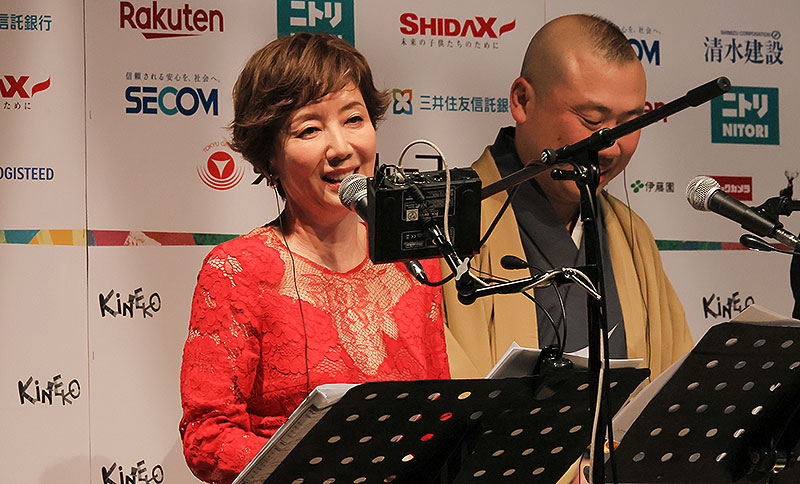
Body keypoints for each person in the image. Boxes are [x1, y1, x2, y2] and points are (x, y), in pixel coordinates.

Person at [179, 33, 450, 484]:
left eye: (354, 119)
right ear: (269, 157)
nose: (341, 148)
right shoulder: (238, 269)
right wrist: (328, 468)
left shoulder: (415, 259)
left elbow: (437, 411)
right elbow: (207, 435)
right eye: (309, 129)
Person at [443, 14, 694, 381]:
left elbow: (671, 383)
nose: (610, 148)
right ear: (523, 101)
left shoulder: (632, 236)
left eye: (630, 124)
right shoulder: (445, 223)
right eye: (591, 120)